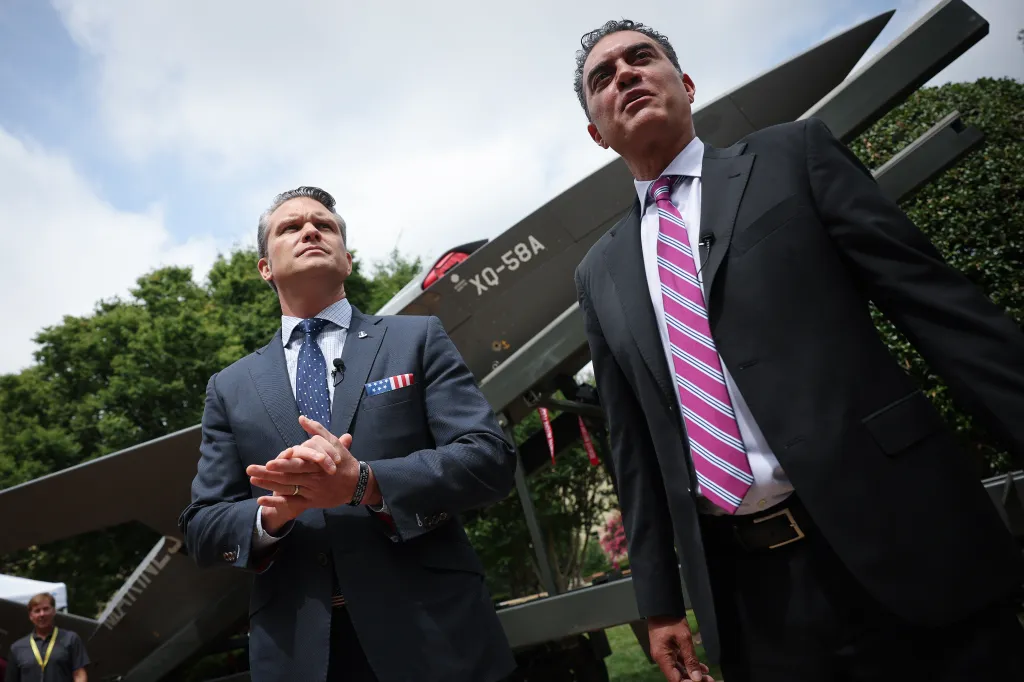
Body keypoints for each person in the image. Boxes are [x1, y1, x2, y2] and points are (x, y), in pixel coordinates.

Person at [571, 18, 1024, 682]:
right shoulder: (598, 274)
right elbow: (633, 452)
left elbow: (941, 311)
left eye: (642, 59)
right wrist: (660, 604)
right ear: (596, 133)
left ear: (687, 84)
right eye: (603, 78)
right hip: (761, 607)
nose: (625, 75)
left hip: (910, 539)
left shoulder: (792, 158)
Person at [177, 186, 518, 682]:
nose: (310, 230)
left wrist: (367, 483)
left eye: (325, 225)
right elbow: (202, 527)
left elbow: (489, 459)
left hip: (436, 636)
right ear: (264, 268)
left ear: (348, 260)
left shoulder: (416, 339)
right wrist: (271, 515)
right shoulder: (229, 387)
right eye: (289, 228)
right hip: (300, 654)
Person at [4, 593, 89, 682]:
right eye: (37, 611)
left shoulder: (71, 639)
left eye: (46, 609)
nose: (42, 614)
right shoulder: (17, 648)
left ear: (54, 611)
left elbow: (79, 675)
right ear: (31, 616)